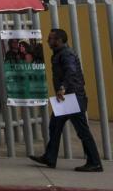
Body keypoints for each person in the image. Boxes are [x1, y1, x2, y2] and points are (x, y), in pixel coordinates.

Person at [30, 29, 103, 172]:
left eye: (51, 39)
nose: (48, 41)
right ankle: (50, 157)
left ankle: (95, 162)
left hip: (72, 97)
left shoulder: (66, 54)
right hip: (65, 99)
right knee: (54, 126)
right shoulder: (58, 54)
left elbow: (71, 71)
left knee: (82, 131)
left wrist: (63, 87)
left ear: (59, 40)